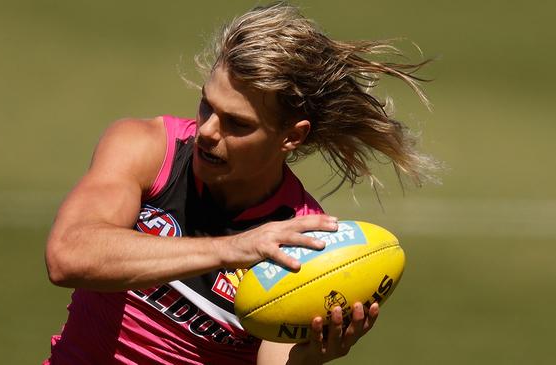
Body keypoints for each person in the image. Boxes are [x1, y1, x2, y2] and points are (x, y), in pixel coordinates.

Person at [43, 2, 435, 364]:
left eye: (238, 124)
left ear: (291, 136)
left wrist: (307, 358)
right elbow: (69, 257)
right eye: (206, 106)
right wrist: (232, 249)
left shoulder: (301, 241)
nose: (208, 132)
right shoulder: (147, 149)